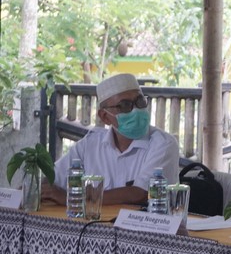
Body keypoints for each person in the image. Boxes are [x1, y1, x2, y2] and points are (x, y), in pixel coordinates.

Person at [42, 73, 179, 205]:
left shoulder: (164, 143)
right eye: (125, 105)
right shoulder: (90, 145)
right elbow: (51, 179)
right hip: (97, 220)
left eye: (140, 102)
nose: (136, 110)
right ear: (105, 117)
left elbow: (141, 193)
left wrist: (74, 197)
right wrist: (46, 190)